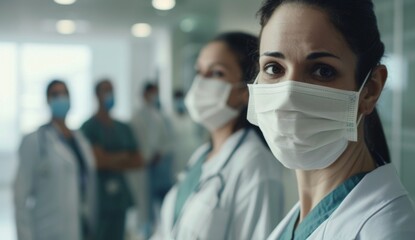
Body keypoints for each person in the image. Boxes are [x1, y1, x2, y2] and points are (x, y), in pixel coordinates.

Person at [246, 0, 415, 239]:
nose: (288, 96)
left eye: (322, 71)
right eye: (273, 68)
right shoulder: (303, 216)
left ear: (370, 89)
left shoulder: (391, 232)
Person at [152, 32, 285, 240]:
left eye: (216, 73)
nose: (201, 83)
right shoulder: (202, 155)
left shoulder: (256, 165)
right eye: (199, 71)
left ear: (246, 91)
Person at [14, 80, 96, 240]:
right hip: (46, 229)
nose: (61, 98)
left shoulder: (80, 140)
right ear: (48, 100)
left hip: (78, 227)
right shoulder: (35, 141)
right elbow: (20, 196)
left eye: (65, 94)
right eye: (56, 94)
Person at [81, 79, 143, 240]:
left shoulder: (123, 128)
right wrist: (123, 156)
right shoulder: (89, 128)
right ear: (96, 95)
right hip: (98, 197)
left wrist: (108, 158)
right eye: (106, 91)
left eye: (112, 91)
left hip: (120, 198)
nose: (110, 96)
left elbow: (138, 160)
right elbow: (96, 162)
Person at [129, 82, 174, 238]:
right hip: (142, 167)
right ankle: (145, 232)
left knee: (161, 207)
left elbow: (164, 140)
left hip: (158, 167)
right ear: (144, 94)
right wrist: (147, 156)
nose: (154, 97)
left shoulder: (159, 116)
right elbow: (136, 143)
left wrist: (159, 154)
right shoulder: (137, 117)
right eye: (152, 93)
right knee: (144, 207)